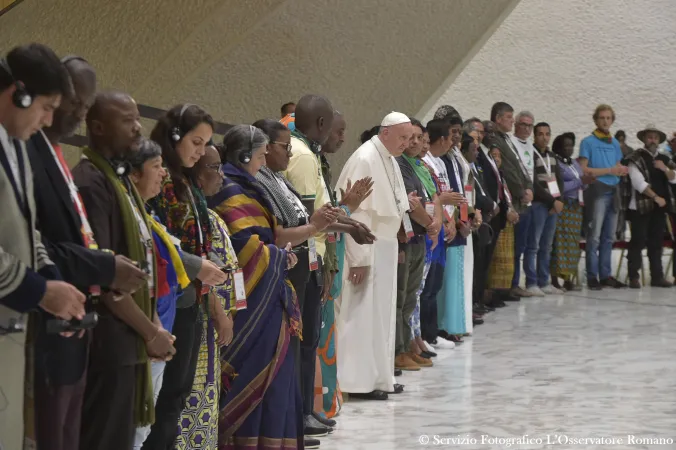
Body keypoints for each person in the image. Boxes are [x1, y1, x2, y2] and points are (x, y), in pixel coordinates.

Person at [27, 55, 148, 450]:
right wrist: (105, 266)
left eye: (82, 103)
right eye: (72, 103)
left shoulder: (61, 157)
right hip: (58, 321)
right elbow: (37, 241)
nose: (76, 112)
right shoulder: (80, 174)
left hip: (81, 325)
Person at [72, 91, 176, 450]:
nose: (137, 129)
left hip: (129, 338)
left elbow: (140, 265)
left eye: (138, 119)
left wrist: (155, 328)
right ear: (97, 127)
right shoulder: (91, 182)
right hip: (109, 341)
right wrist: (151, 332)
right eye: (127, 121)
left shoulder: (118, 183)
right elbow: (106, 274)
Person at [0, 43, 85, 450]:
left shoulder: (14, 145)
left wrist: (52, 282)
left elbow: (26, 231)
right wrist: (39, 290)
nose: (50, 120)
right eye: (47, 107)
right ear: (19, 93)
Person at [208, 124, 303, 449]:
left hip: (271, 291)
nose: (264, 162)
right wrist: (278, 257)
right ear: (246, 154)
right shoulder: (228, 189)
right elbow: (239, 245)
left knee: (277, 381)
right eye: (261, 155)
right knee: (254, 375)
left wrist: (278, 255)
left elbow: (266, 237)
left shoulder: (251, 185)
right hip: (250, 300)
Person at [144, 104, 228, 450]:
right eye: (196, 142)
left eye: (205, 143)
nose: (200, 151)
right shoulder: (159, 179)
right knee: (163, 398)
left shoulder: (186, 181)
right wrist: (197, 266)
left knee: (177, 393)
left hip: (192, 299)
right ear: (174, 137)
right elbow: (153, 239)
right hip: (168, 300)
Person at [253, 118, 340, 446]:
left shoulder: (276, 177)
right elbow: (282, 229)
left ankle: (302, 410)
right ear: (264, 147)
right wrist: (313, 226)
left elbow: (306, 218)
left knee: (306, 344)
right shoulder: (258, 182)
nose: (289, 153)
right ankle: (296, 417)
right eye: (283, 147)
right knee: (292, 347)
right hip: (288, 267)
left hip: (306, 262)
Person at [334, 112, 413, 401]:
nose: (407, 143)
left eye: (409, 138)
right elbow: (357, 214)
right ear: (385, 132)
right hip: (368, 248)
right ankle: (356, 381)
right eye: (402, 137)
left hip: (386, 246)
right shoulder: (366, 158)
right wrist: (359, 259)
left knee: (381, 315)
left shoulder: (389, 158)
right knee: (360, 314)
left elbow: (395, 204)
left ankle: (380, 376)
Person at [127, 139, 191, 450]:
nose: (163, 174)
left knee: (143, 424)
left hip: (159, 325)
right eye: (156, 167)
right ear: (134, 174)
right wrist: (153, 330)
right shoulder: (126, 210)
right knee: (134, 428)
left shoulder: (144, 211)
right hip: (143, 331)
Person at [175, 144, 237, 450]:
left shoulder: (209, 213)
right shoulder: (193, 213)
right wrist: (219, 313)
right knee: (192, 395)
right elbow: (197, 269)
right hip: (201, 317)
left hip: (212, 327)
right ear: (197, 173)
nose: (221, 176)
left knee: (207, 396)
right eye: (214, 168)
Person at [395, 119, 441, 372]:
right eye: (409, 138)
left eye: (417, 138)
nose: (413, 143)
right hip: (407, 236)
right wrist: (431, 223)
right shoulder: (400, 164)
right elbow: (410, 204)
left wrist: (433, 223)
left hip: (419, 235)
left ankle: (407, 346)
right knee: (402, 297)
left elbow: (428, 197)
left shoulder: (417, 165)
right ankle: (400, 349)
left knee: (411, 296)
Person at [421, 119, 463, 350]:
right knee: (426, 287)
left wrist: (452, 220)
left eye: (425, 141)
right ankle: (427, 335)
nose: (423, 145)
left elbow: (447, 196)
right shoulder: (424, 163)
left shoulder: (438, 162)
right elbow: (434, 196)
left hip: (444, 224)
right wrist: (443, 218)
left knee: (434, 284)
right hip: (432, 227)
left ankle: (432, 332)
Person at [578, 104, 628, 290]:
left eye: (608, 118)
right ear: (596, 120)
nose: (605, 121)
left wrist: (621, 171)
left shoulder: (614, 143)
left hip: (614, 190)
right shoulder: (588, 142)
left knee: (609, 237)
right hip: (597, 190)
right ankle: (592, 276)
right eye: (602, 118)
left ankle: (606, 274)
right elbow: (583, 169)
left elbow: (617, 165)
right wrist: (610, 170)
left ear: (612, 120)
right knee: (595, 236)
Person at [490, 102, 534, 297]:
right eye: (509, 117)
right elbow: (506, 170)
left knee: (518, 247)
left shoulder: (506, 139)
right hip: (510, 199)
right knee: (506, 250)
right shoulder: (494, 140)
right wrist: (520, 191)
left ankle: (512, 284)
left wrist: (529, 188)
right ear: (498, 119)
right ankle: (503, 288)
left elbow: (520, 167)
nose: (512, 121)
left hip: (520, 198)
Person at [624, 125, 676, 288]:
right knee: (637, 242)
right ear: (644, 139)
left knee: (656, 243)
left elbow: (674, 179)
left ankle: (657, 277)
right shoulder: (635, 157)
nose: (652, 140)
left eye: (655, 137)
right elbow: (638, 183)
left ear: (659, 140)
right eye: (649, 137)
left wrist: (664, 168)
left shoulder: (665, 158)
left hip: (659, 209)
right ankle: (634, 277)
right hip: (640, 207)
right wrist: (656, 197)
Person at [479, 120, 519, 306]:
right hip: (489, 214)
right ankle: (487, 294)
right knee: (490, 259)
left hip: (500, 214)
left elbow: (504, 193)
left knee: (499, 258)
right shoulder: (482, 159)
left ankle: (500, 291)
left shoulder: (500, 171)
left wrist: (509, 208)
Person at [526, 122, 565, 296]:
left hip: (553, 206)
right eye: (540, 134)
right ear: (535, 136)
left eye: (547, 134)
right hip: (539, 204)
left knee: (547, 246)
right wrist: (551, 201)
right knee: (533, 245)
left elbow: (559, 180)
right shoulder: (531, 155)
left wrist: (560, 200)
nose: (544, 137)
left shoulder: (553, 156)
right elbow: (533, 183)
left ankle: (544, 281)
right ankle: (531, 282)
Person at [550, 133, 591, 291]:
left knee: (572, 244)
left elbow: (581, 184)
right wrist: (580, 181)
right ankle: (555, 279)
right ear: (558, 147)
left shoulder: (574, 163)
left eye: (571, 145)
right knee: (559, 243)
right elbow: (561, 187)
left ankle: (568, 278)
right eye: (565, 145)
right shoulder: (556, 163)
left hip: (576, 208)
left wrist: (586, 182)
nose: (568, 148)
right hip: (563, 206)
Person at [486, 145, 520, 294]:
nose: (497, 158)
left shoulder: (501, 174)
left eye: (499, 155)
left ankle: (504, 291)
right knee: (496, 260)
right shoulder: (490, 175)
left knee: (506, 260)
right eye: (493, 155)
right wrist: (507, 211)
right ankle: (492, 293)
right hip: (497, 217)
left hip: (506, 217)